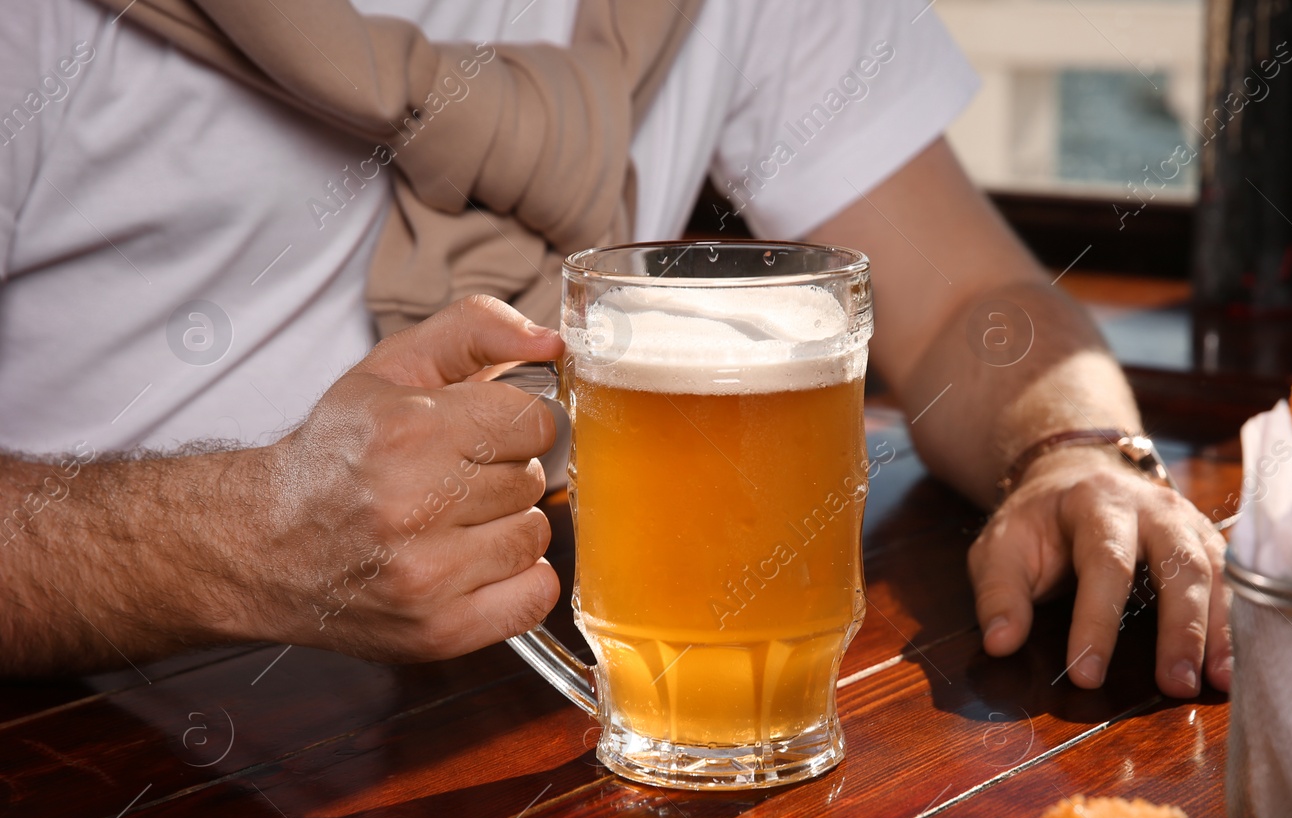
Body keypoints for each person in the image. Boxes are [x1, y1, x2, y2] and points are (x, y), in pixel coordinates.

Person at [0, 0, 1228, 697]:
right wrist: (226, 539)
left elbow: (967, 296)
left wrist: (1073, 449)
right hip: (81, 762)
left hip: (529, 725)